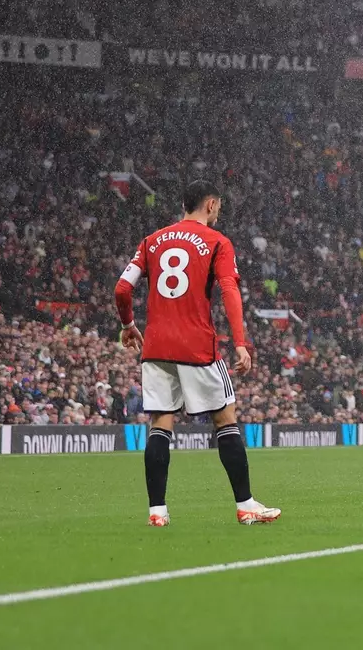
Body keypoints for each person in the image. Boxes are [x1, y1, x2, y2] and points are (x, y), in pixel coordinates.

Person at [114, 180, 281, 527]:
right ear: (209, 204)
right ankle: (246, 504)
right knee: (225, 418)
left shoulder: (152, 241)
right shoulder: (217, 242)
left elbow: (122, 288)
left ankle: (157, 512)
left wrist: (129, 324)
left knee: (160, 423)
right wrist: (239, 341)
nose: (218, 211)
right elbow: (229, 289)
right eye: (218, 205)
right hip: (196, 344)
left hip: (156, 346)